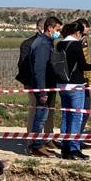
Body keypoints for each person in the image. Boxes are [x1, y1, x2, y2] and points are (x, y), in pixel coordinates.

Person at [27, 15, 63, 157]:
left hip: (47, 86)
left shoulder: (46, 42)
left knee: (43, 116)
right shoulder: (42, 44)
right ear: (50, 28)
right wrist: (42, 92)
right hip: (43, 88)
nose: (58, 33)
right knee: (41, 117)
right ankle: (36, 146)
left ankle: (39, 144)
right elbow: (39, 70)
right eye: (57, 30)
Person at [16, 16, 56, 137]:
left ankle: (48, 138)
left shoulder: (50, 43)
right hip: (35, 85)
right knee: (35, 114)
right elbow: (23, 66)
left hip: (50, 84)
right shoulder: (28, 44)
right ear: (40, 28)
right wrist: (28, 84)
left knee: (50, 113)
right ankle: (32, 140)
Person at [55, 21, 89, 160]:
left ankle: (64, 147)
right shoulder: (76, 45)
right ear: (77, 33)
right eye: (82, 33)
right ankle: (74, 149)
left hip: (61, 84)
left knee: (66, 116)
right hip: (75, 85)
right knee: (76, 117)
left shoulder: (60, 44)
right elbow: (83, 65)